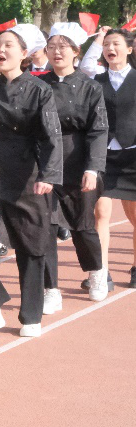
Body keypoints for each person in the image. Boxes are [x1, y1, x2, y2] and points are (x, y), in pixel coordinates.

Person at [0, 26, 63, 337]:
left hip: (28, 177)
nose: (1, 49)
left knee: (32, 246)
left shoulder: (39, 90)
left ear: (24, 53)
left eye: (8, 45)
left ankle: (31, 315)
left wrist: (48, 175)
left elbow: (51, 136)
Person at [41, 22, 109, 302]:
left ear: (76, 51)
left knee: (83, 225)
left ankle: (96, 272)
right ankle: (50, 289)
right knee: (44, 227)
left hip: (78, 160)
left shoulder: (90, 87)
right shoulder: (38, 85)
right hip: (44, 163)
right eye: (51, 47)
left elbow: (98, 130)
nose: (57, 52)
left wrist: (93, 168)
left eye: (63, 47)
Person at [81, 27, 136, 289]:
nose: (110, 49)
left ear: (129, 49)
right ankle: (102, 273)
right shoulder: (96, 80)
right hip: (103, 155)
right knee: (100, 213)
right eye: (107, 45)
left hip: (133, 155)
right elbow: (84, 65)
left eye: (116, 44)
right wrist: (98, 39)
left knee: (135, 216)